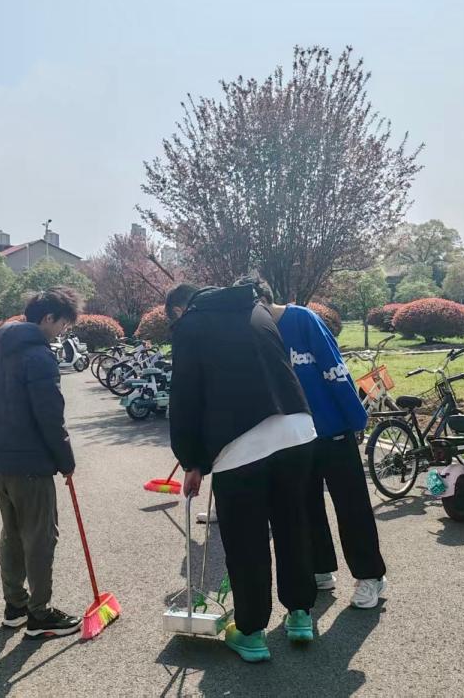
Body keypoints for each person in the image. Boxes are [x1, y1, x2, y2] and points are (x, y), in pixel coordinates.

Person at [166, 282, 318, 663]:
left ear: (183, 309)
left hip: (241, 445)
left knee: (247, 540)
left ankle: (250, 632)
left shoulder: (190, 327)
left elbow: (185, 399)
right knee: (293, 524)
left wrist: (192, 461)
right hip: (298, 431)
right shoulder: (258, 310)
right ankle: (301, 614)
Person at [236, 275, 387, 610]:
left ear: (262, 300)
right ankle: (321, 568)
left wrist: (356, 419)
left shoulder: (303, 320)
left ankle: (371, 576)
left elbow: (335, 369)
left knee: (351, 506)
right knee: (306, 507)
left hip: (333, 429)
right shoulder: (255, 333)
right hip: (294, 438)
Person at [0, 287, 83, 639]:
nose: (63, 331)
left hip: (0, 456)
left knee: (12, 534)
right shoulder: (39, 356)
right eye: (63, 324)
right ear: (48, 318)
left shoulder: (3, 349)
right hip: (30, 461)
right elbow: (50, 416)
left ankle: (16, 606)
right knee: (40, 537)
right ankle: (40, 614)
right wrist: (66, 460)